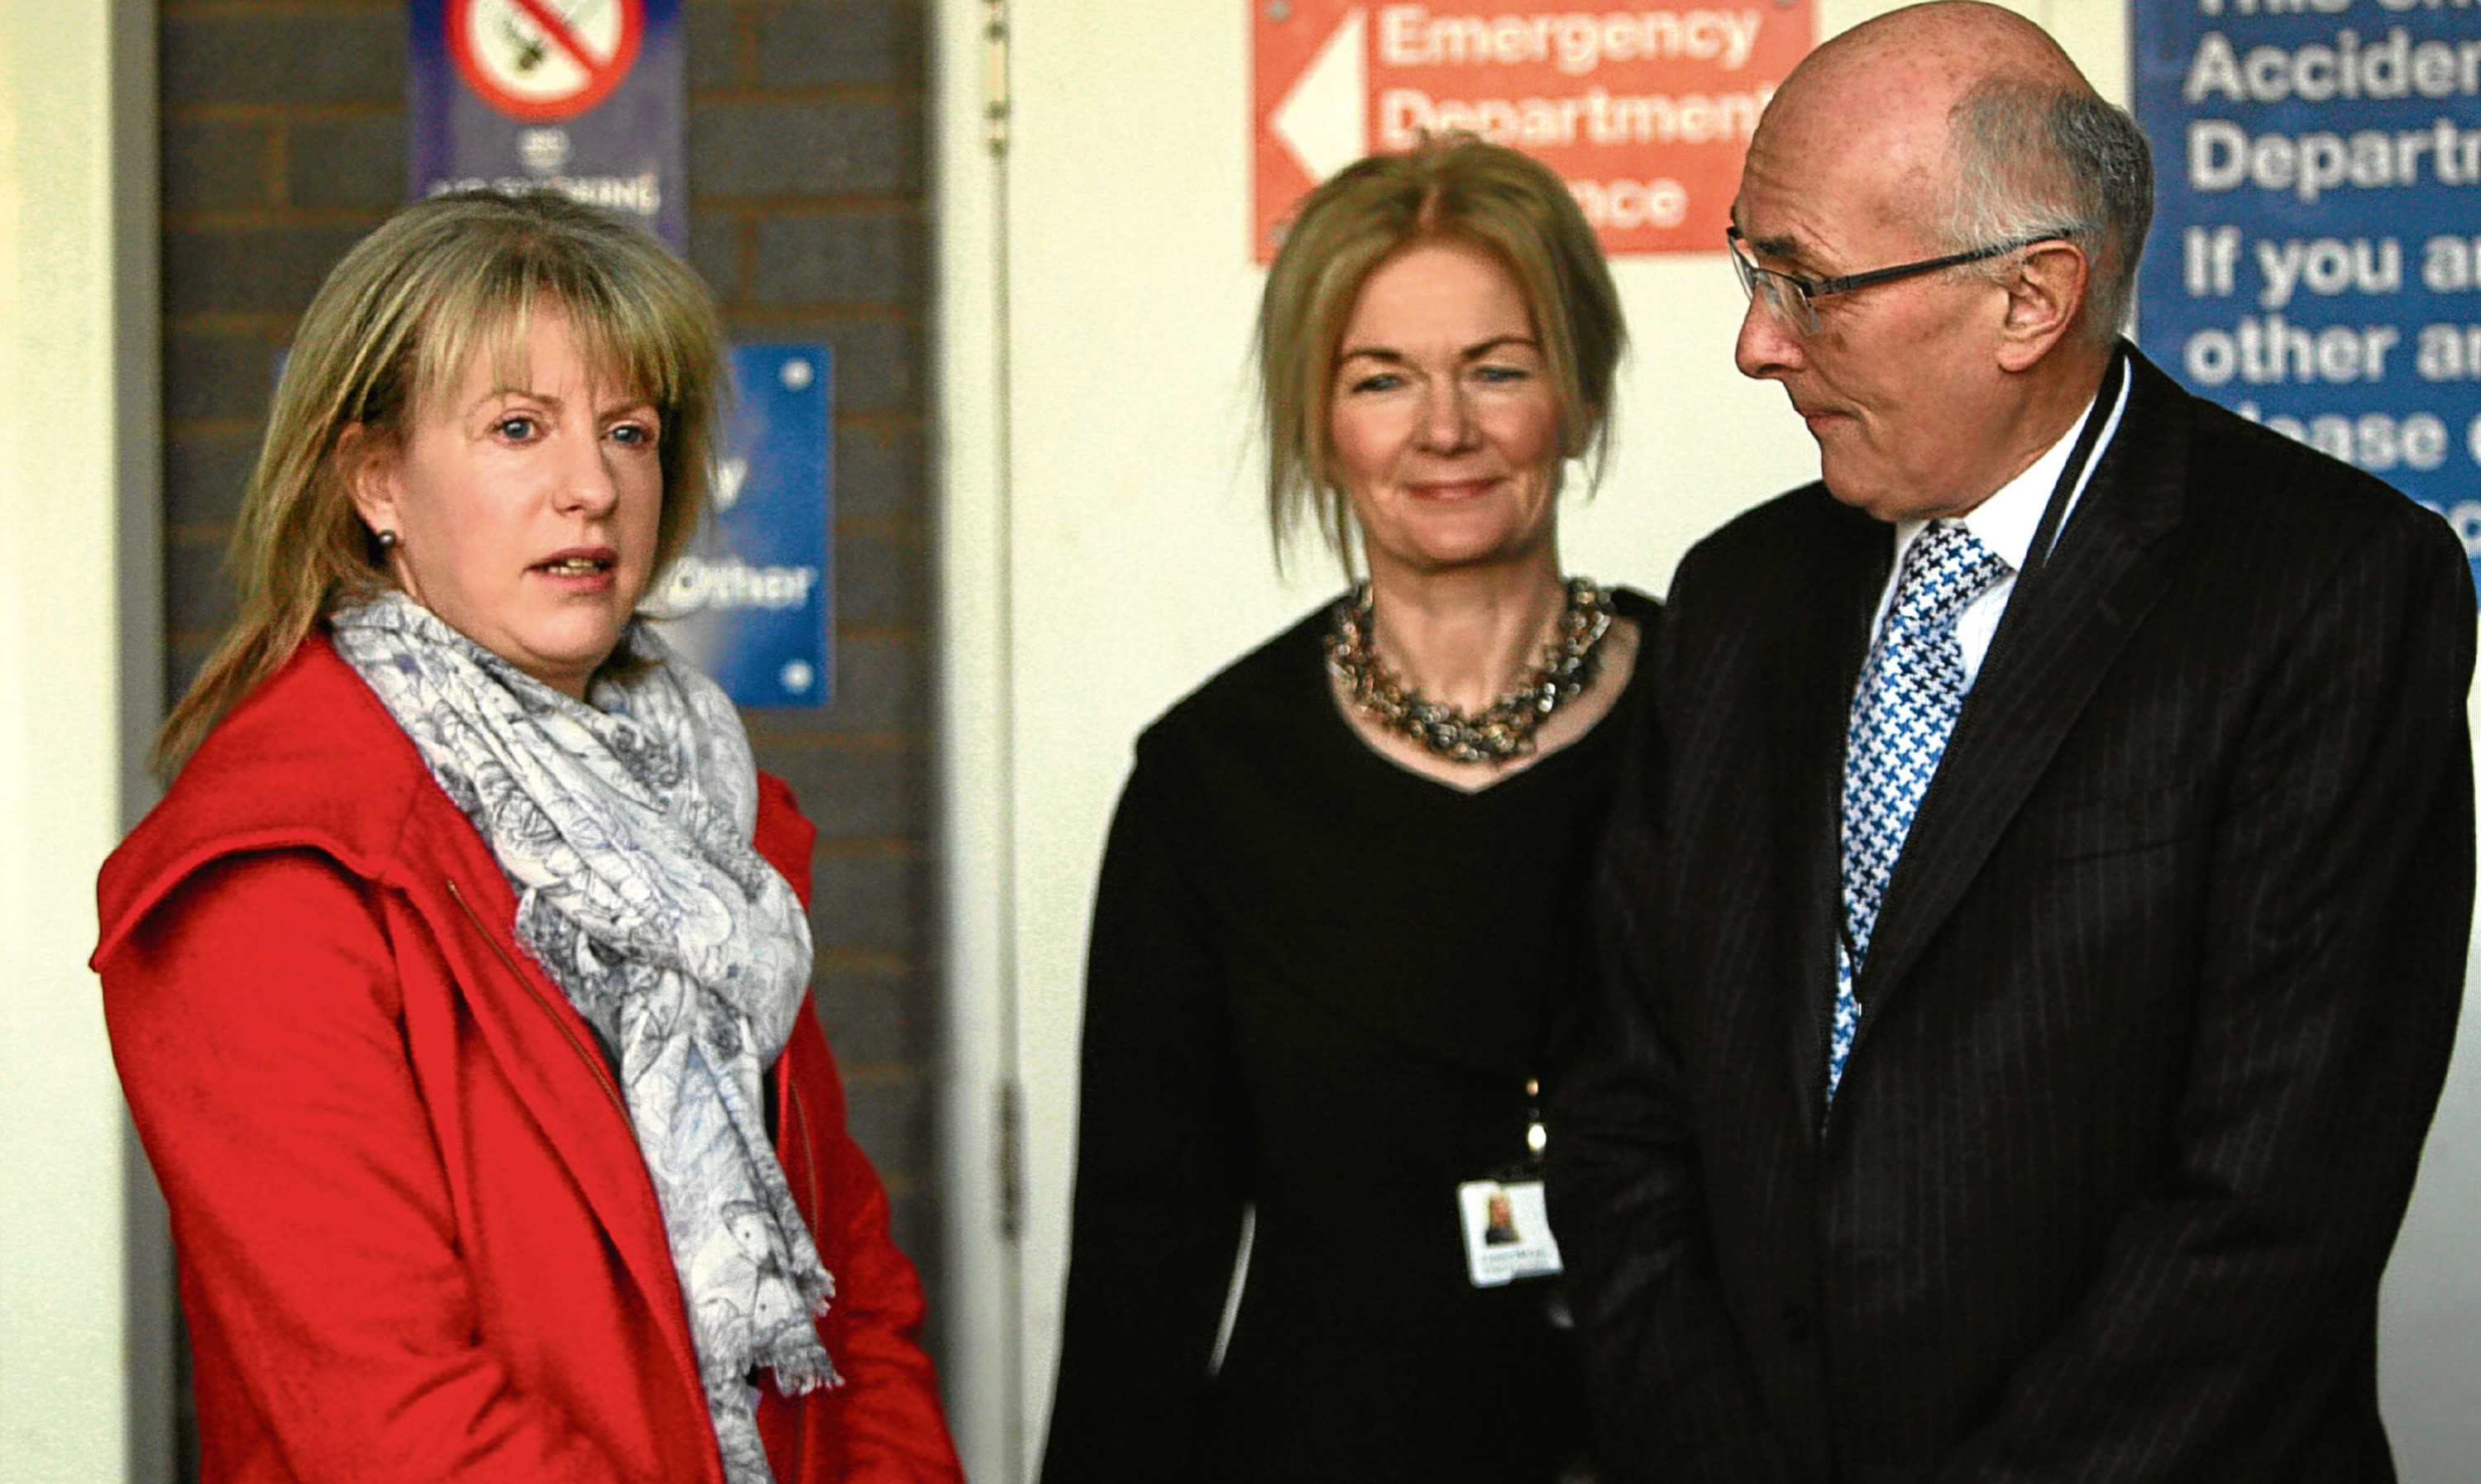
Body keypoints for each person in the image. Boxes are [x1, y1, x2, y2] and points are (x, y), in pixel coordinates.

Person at [1546, 5, 2475, 1481]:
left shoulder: (2330, 588)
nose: (1754, 340)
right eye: (1751, 263)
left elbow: (2274, 1203)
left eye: (1806, 281)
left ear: (2035, 297)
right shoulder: (1737, 602)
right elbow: (1620, 1115)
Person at [92, 189, 963, 1484]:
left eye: (629, 431)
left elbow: (855, 1301)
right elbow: (388, 1414)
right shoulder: (273, 870)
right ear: (374, 478)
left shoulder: (704, 821)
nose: (591, 486)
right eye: (517, 429)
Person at [1040, 136, 1644, 1483]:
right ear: (1321, 420)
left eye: (1499, 367)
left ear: (1581, 392)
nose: (1446, 429)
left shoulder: (1724, 724)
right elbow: (1145, 1267)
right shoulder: (1209, 784)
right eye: (1383, 380)